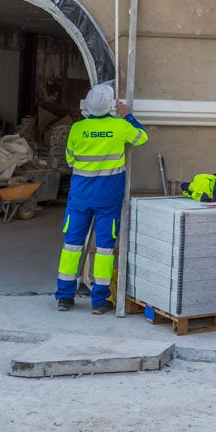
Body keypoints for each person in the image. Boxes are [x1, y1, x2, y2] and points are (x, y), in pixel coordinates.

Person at [55, 83, 148, 314]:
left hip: (80, 197)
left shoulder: (76, 129)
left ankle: (64, 298)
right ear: (111, 105)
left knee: (71, 246)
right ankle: (99, 301)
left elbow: (70, 160)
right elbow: (142, 137)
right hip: (108, 198)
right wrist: (128, 115)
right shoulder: (119, 126)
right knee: (105, 249)